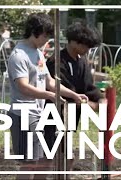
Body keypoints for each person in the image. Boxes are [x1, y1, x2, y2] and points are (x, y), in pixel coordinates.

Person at [7, 13, 88, 180]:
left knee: (43, 161)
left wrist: (73, 94)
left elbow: (49, 81)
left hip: (37, 114)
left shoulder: (37, 53)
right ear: (34, 32)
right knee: (28, 164)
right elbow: (23, 86)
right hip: (23, 114)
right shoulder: (19, 55)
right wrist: (50, 96)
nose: (47, 39)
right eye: (45, 35)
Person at [44, 22, 107, 175]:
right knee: (51, 153)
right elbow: (66, 90)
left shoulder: (82, 63)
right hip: (54, 114)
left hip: (72, 117)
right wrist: (87, 105)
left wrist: (101, 100)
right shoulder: (56, 61)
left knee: (67, 156)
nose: (87, 50)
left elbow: (88, 87)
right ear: (73, 42)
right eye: (85, 45)